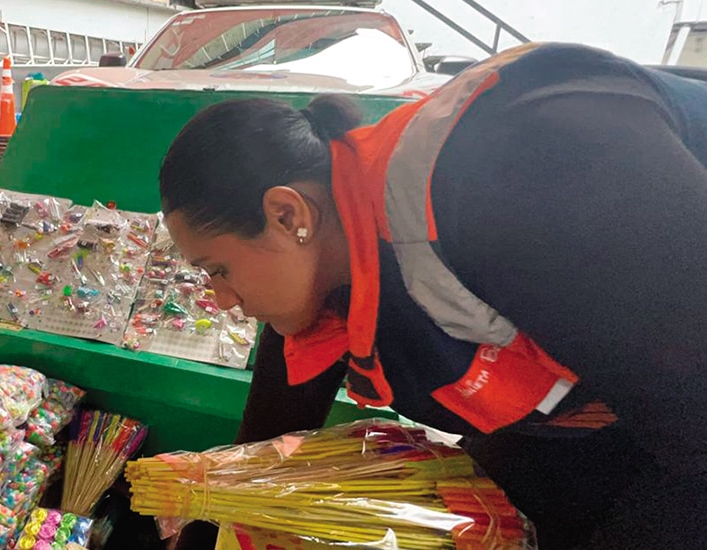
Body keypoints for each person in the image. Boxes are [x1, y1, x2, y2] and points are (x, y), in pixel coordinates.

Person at [160, 43, 707, 549]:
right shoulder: (322, 264)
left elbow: (688, 420)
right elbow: (258, 463)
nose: (223, 298)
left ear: (287, 215)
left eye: (219, 269)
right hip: (626, 400)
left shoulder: (523, 178)